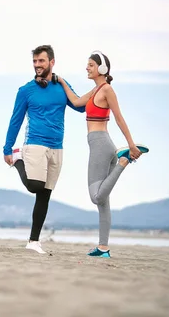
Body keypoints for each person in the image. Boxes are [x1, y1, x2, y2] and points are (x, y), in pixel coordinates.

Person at [58, 50, 149, 258]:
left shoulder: (107, 90)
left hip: (101, 144)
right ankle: (103, 248)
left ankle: (123, 160)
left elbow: (119, 118)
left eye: (90, 65)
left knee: (96, 196)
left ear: (101, 68)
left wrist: (131, 145)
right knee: (103, 202)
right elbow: (75, 101)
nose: (87, 68)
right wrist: (62, 82)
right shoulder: (95, 90)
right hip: (100, 144)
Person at [3, 45, 86, 254]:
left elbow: (81, 106)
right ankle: (18, 159)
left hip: (57, 147)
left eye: (41, 61)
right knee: (34, 185)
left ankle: (33, 241)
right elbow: (16, 121)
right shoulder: (26, 91)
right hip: (34, 143)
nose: (37, 65)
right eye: (35, 61)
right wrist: (8, 147)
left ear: (52, 62)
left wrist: (65, 82)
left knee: (45, 195)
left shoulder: (61, 88)